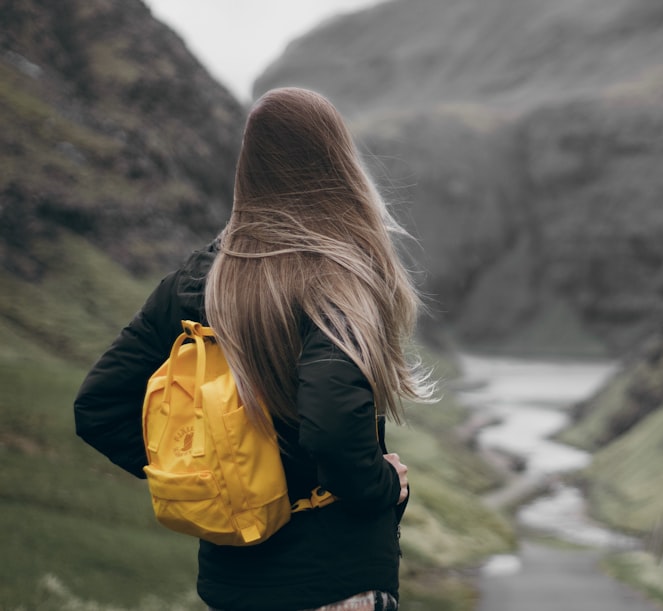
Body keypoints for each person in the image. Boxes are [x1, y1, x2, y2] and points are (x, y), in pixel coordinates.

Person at [74, 87, 434, 611]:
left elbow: (99, 409)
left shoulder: (193, 282)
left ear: (249, 171)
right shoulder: (336, 275)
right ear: (338, 164)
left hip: (234, 586)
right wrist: (381, 486)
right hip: (336, 583)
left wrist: (214, 482)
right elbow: (332, 421)